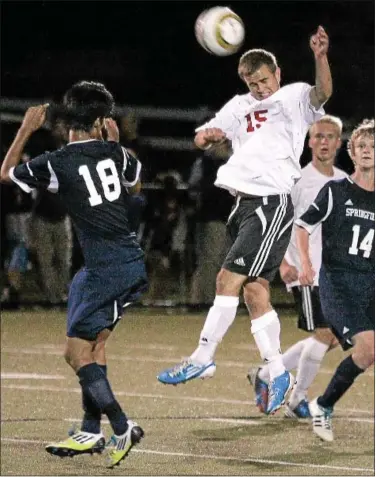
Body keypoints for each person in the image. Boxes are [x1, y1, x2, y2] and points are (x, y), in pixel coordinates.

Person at [157, 25, 332, 415]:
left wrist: (320, 57)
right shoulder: (239, 105)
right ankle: (274, 369)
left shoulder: (292, 97)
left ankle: (203, 356)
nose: (260, 89)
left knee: (226, 280)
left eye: (265, 80)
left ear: (278, 74)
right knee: (254, 292)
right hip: (242, 205)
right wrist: (207, 136)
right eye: (253, 83)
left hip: (270, 202)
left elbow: (323, 93)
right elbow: (204, 135)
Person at [0, 81, 148, 467]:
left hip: (107, 270)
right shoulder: (117, 154)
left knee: (75, 353)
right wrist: (114, 142)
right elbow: (135, 185)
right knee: (95, 346)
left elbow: (6, 173)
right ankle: (89, 428)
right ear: (101, 120)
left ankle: (120, 426)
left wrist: (26, 128)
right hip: (115, 265)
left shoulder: (58, 161)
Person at [248, 115, 348, 417]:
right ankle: (296, 399)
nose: (324, 142)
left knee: (331, 338)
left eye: (330, 136)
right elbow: (278, 224)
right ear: (309, 142)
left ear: (339, 143)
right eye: (318, 136)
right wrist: (282, 263)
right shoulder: (297, 180)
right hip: (307, 273)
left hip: (337, 275)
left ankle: (267, 375)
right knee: (324, 334)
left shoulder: (345, 181)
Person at [295, 119, 374, 441]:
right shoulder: (336, 191)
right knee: (368, 349)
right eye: (362, 146)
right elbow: (302, 225)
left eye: (373, 146)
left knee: (368, 352)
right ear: (352, 152)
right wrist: (305, 263)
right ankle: (323, 406)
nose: (367, 151)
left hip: (371, 283)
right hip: (340, 283)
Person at [188, 140, 233, 305]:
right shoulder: (205, 163)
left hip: (229, 218)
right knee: (210, 260)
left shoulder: (233, 161)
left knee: (224, 261)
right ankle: (204, 301)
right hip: (213, 217)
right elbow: (194, 189)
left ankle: (215, 300)